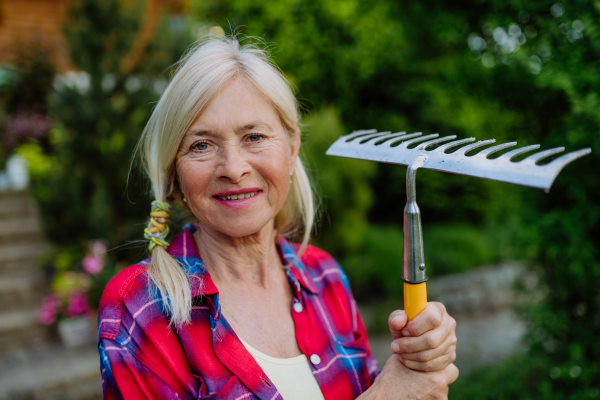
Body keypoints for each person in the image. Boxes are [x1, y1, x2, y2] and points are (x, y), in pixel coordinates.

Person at [98, 35, 458, 400]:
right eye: (201, 145)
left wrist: (416, 366)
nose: (234, 169)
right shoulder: (140, 306)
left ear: (292, 147)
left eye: (254, 136)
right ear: (174, 171)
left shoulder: (324, 275)